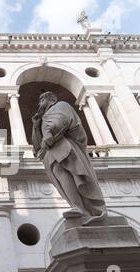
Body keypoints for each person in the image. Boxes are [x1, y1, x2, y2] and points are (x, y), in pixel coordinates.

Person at [32, 91, 107, 226]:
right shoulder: (43, 117)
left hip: (63, 146)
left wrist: (48, 134)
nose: (40, 102)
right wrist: (36, 125)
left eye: (42, 99)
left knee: (74, 174)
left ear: (52, 98)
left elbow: (62, 121)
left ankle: (86, 207)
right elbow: (37, 145)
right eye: (39, 100)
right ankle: (78, 207)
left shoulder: (61, 105)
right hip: (51, 152)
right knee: (60, 175)